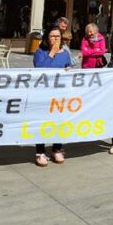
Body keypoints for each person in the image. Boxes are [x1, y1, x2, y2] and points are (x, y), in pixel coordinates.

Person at [32, 27, 74, 166]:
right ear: (47, 38)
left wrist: (69, 69)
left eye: (58, 36)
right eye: (52, 36)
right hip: (44, 93)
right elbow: (40, 70)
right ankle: (40, 151)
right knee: (43, 122)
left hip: (60, 94)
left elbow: (69, 67)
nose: (56, 39)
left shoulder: (65, 54)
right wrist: (52, 53)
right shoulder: (40, 52)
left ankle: (57, 148)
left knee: (59, 121)